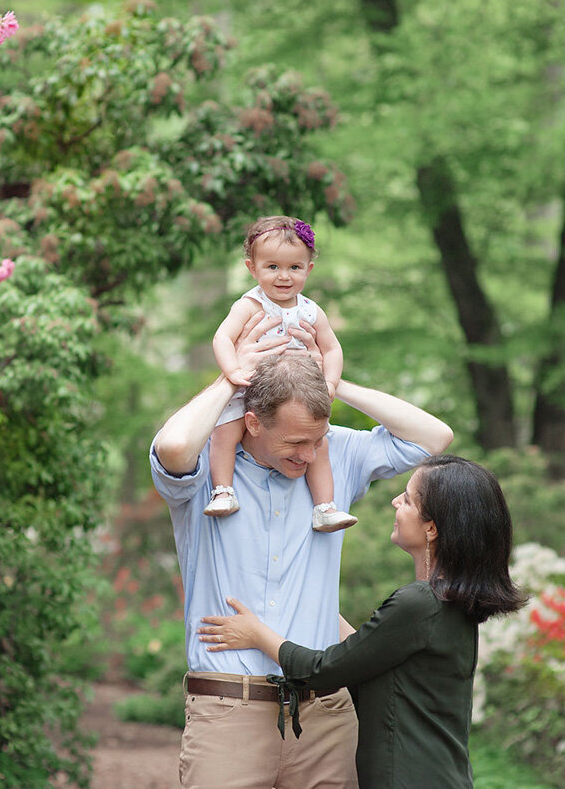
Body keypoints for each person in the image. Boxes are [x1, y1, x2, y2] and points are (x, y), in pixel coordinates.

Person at [150, 317, 453, 789]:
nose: (310, 456)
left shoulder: (331, 455)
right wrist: (231, 378)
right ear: (252, 422)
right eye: (295, 442)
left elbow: (434, 439)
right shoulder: (210, 468)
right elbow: (171, 445)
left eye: (318, 439)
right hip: (229, 712)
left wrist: (333, 382)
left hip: (326, 717)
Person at [197, 455, 528, 789]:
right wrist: (307, 598)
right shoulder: (450, 604)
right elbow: (369, 660)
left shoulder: (419, 603)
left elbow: (322, 670)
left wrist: (256, 634)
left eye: (408, 499)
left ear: (432, 528)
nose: (395, 501)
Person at [204, 215, 356, 533]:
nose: (284, 277)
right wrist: (232, 371)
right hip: (250, 387)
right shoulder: (249, 305)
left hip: (297, 393)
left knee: (318, 444)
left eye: (294, 268)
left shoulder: (312, 310)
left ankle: (324, 506)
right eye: (272, 267)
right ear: (252, 268)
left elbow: (332, 349)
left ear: (308, 269)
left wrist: (330, 381)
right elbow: (222, 338)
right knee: (225, 432)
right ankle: (223, 490)